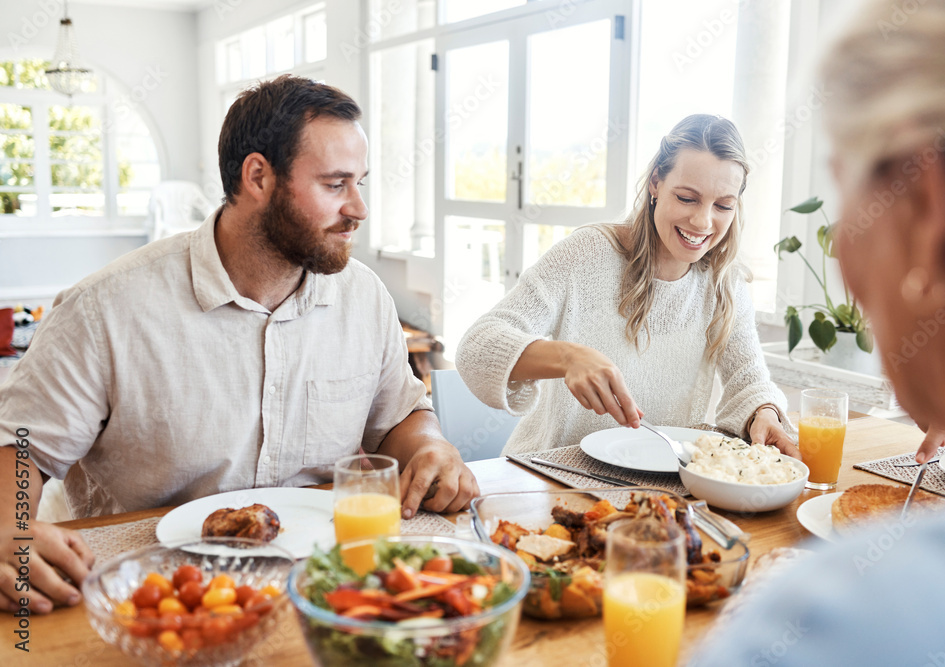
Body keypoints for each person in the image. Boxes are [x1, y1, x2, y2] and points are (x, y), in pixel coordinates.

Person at [0, 76, 478, 615]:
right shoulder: (104, 309)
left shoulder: (362, 295)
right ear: (258, 177)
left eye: (359, 183)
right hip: (156, 596)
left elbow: (397, 418)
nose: (359, 209)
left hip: (331, 587)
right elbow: (19, 446)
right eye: (336, 184)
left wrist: (431, 445)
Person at [692, 0, 945, 663]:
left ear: (925, 206)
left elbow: (747, 370)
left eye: (843, 192)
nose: (841, 255)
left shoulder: (832, 617)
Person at [456, 114, 796, 457]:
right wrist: (569, 358)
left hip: (658, 487)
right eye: (687, 198)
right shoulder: (587, 254)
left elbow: (749, 380)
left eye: (723, 205)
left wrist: (763, 412)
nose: (703, 221)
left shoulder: (725, 282)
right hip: (551, 475)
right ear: (655, 184)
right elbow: (476, 349)